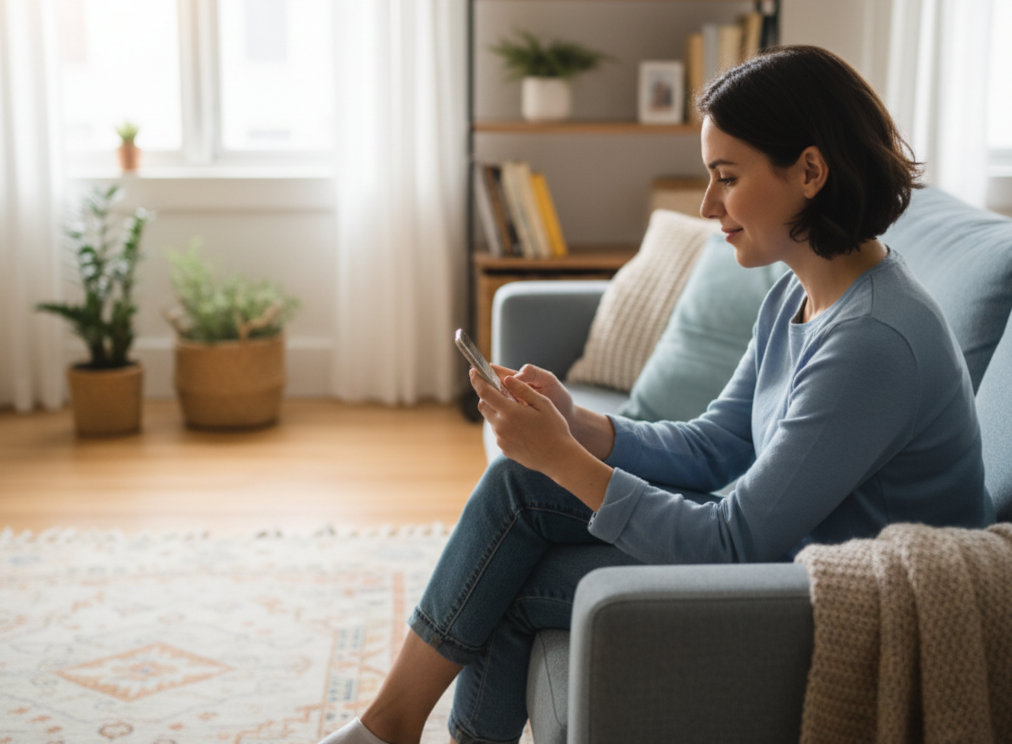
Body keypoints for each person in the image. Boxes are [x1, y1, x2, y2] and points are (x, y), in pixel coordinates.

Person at [320, 45, 994, 744]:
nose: (708, 205)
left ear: (810, 172)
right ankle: (387, 726)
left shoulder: (872, 342)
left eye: (727, 178)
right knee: (517, 486)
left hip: (823, 591)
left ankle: (386, 730)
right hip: (784, 550)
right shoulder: (797, 294)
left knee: (510, 573)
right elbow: (717, 443)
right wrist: (577, 425)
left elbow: (734, 541)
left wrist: (561, 457)